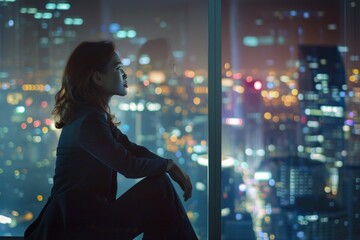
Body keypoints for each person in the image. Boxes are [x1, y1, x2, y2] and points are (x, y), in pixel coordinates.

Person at [24, 41, 198, 240]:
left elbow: (132, 150)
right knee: (160, 190)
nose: (125, 74)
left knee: (160, 189)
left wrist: (169, 165)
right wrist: (168, 166)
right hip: (76, 228)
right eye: (117, 68)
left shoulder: (93, 116)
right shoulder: (88, 121)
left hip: (86, 221)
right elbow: (129, 165)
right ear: (97, 77)